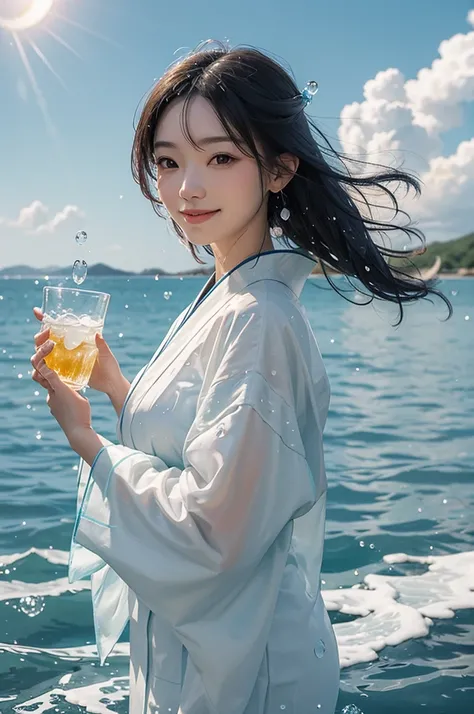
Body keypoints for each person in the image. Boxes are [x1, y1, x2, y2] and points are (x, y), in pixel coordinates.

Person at [30, 40, 453, 714]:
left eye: (220, 157)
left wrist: (88, 440)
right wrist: (117, 387)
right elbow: (217, 459)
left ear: (279, 169)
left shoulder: (258, 318)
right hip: (220, 648)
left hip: (248, 671)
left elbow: (212, 535)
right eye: (168, 162)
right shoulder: (226, 296)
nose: (187, 187)